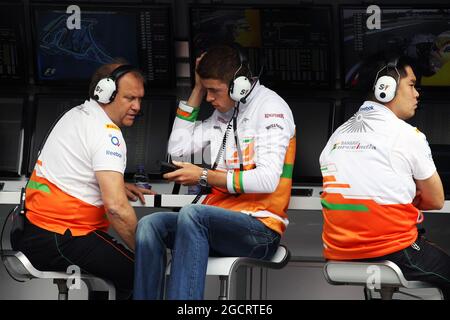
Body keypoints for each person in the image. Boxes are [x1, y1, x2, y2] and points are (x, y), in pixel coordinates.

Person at [134, 44, 296, 299]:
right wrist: (197, 88)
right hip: (216, 222)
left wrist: (204, 176)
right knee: (149, 225)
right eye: (206, 90)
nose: (210, 98)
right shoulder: (225, 113)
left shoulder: (271, 109)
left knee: (193, 214)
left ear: (239, 85)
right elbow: (177, 150)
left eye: (214, 90)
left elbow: (267, 179)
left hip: (260, 230)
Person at [11, 62, 154, 299]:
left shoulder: (76, 115)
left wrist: (114, 183)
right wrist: (153, 254)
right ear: (105, 92)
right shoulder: (106, 132)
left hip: (34, 233)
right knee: (143, 271)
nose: (137, 106)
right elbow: (117, 209)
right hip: (61, 236)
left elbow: (75, 172)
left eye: (140, 99)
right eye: (129, 98)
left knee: (110, 270)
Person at [319, 55, 450, 299]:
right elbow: (436, 200)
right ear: (385, 88)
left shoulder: (336, 135)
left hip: (337, 254)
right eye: (411, 85)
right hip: (392, 251)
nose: (417, 94)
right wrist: (408, 197)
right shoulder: (406, 135)